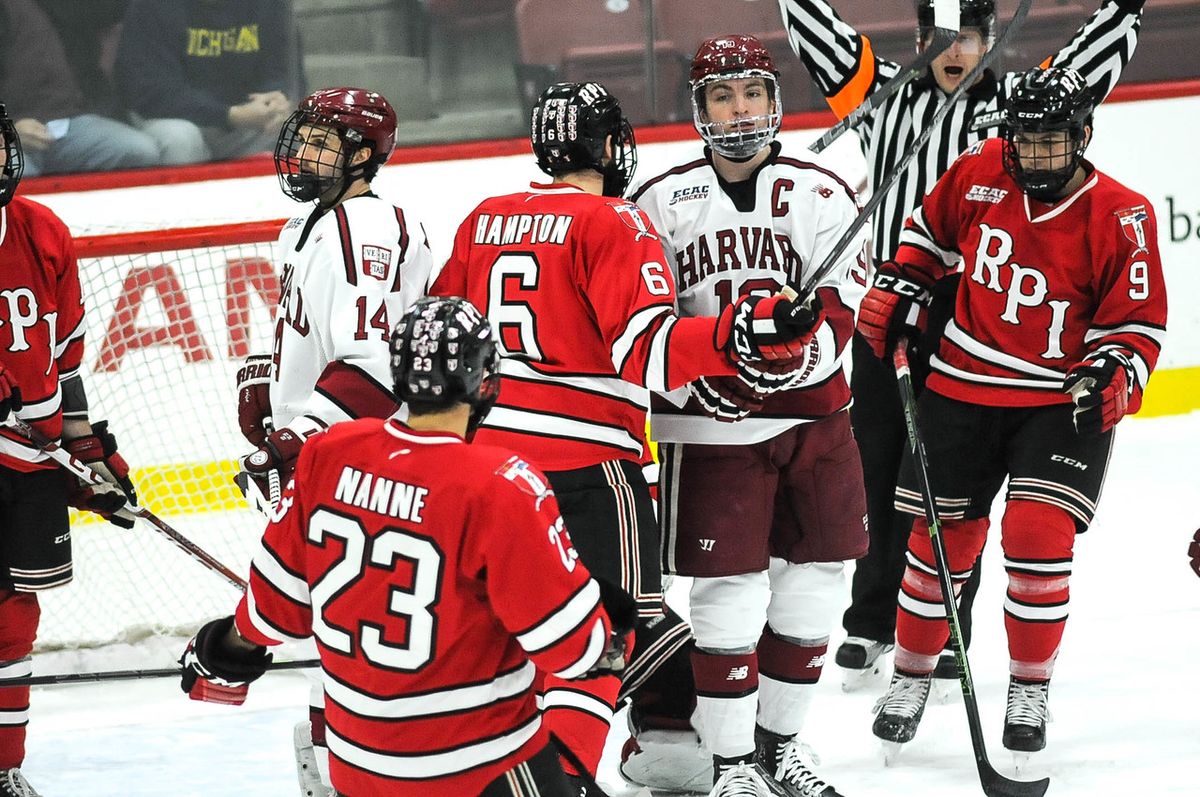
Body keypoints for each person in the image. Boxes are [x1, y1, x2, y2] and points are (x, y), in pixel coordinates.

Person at [429, 81, 820, 794]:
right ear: (610, 146)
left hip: (484, 469)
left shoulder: (481, 218)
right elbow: (652, 356)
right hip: (586, 473)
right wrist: (749, 328)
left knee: (518, 625)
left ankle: (522, 758)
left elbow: (439, 338)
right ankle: (562, 775)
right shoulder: (617, 223)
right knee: (613, 634)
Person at [778, 0, 1146, 687]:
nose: (954, 49)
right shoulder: (877, 93)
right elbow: (816, 33)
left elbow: (1087, 67)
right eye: (940, 36)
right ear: (921, 40)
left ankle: (949, 633)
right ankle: (868, 621)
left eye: (969, 36)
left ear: (989, 39)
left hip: (970, 321)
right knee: (878, 469)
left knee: (952, 488)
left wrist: (1123, 8)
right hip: (891, 308)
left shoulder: (1015, 107)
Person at [181, 296, 638, 796]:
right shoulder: (501, 484)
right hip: (478, 771)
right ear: (486, 383)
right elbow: (572, 651)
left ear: (398, 377)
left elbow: (273, 613)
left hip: (359, 771)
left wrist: (221, 649)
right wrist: (610, 628)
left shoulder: (327, 454)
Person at [858, 67, 1167, 756]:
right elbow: (927, 237)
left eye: (1053, 143)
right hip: (961, 385)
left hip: (1059, 402)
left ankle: (1030, 685)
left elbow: (1138, 322)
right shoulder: (976, 172)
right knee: (941, 543)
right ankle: (909, 675)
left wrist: (1116, 371)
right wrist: (904, 286)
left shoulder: (1123, 214)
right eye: (1025, 142)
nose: (1036, 157)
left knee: (1036, 536)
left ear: (1083, 136)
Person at [629, 34, 867, 797]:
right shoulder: (658, 203)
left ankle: (777, 746)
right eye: (724, 96)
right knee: (726, 596)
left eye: (754, 93)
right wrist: (698, 386)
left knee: (819, 583)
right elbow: (647, 318)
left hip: (815, 423)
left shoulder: (823, 192)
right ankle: (730, 768)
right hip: (710, 433)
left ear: (775, 99)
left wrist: (798, 361)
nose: (742, 110)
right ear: (699, 109)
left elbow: (841, 310)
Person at [231, 85, 433, 791]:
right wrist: (269, 373)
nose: (303, 152)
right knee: (336, 624)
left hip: (374, 458)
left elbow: (376, 366)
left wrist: (297, 439)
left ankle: (361, 763)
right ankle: (338, 759)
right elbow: (323, 337)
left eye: (322, 141)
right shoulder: (313, 226)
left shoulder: (364, 229)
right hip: (342, 453)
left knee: (354, 624)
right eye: (305, 136)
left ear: (363, 156)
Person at [0, 101, 139, 796]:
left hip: (31, 465)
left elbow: (66, 360)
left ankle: (3, 767)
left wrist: (88, 456)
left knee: (13, 620)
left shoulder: (43, 231)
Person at [0, 0, 180, 176]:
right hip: (11, 131)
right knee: (12, 172)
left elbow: (110, 9)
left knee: (140, 150)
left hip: (68, 121)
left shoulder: (58, 8)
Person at [115, 0, 297, 164]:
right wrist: (231, 115)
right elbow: (154, 93)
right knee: (180, 139)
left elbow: (282, 67)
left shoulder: (270, 5)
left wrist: (275, 101)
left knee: (300, 132)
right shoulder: (151, 7)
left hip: (247, 119)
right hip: (172, 117)